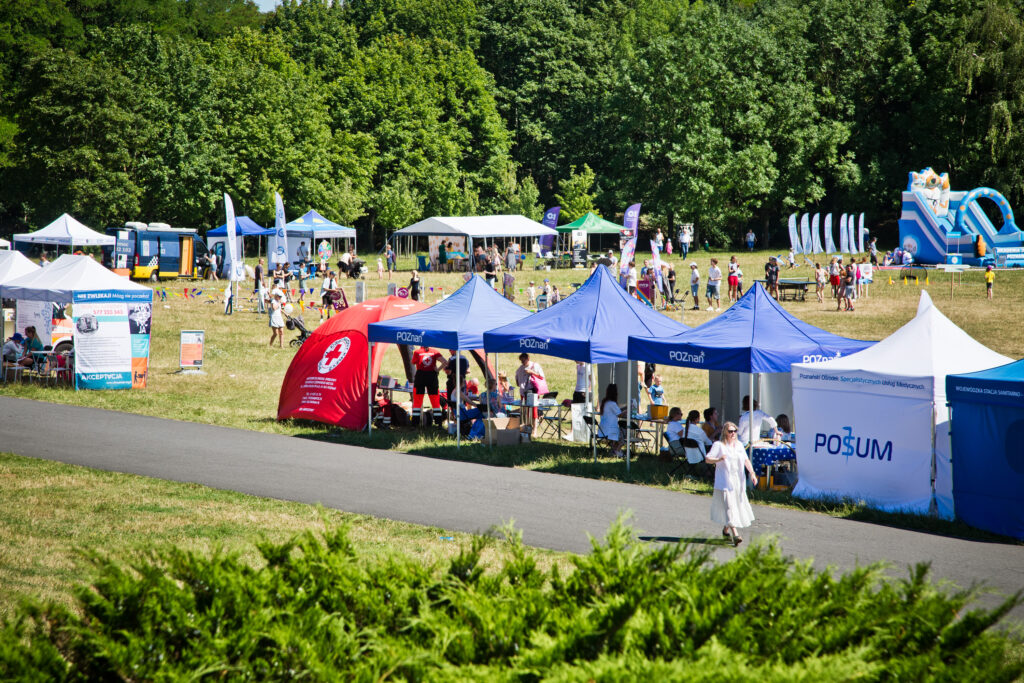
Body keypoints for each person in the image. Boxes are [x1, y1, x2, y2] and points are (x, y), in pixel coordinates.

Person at [705, 421, 757, 546]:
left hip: (738, 480)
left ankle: (725, 530)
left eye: (735, 431)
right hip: (724, 480)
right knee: (729, 506)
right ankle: (735, 534)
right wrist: (719, 459)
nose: (733, 433)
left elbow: (745, 460)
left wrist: (752, 473)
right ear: (725, 432)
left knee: (735, 506)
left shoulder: (739, 445)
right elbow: (707, 459)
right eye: (730, 431)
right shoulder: (719, 445)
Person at [412, 345, 446, 425]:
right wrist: (437, 370)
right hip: (432, 376)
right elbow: (445, 362)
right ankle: (439, 423)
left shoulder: (417, 352)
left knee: (417, 401)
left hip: (420, 376)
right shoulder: (434, 351)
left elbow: (413, 362)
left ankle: (415, 424)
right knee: (435, 401)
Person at [515, 353, 546, 433]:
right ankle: (528, 428)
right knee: (525, 411)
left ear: (528, 358)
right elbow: (517, 382)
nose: (522, 362)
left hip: (533, 390)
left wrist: (532, 372)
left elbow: (541, 376)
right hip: (523, 392)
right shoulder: (520, 368)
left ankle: (535, 429)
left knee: (534, 410)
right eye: (521, 361)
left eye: (523, 360)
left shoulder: (535, 366)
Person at [599, 384, 622, 457]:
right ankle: (616, 451)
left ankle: (615, 450)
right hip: (609, 430)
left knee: (619, 434)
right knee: (624, 435)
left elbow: (617, 412)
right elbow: (620, 414)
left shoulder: (604, 402)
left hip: (602, 429)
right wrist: (628, 409)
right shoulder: (612, 403)